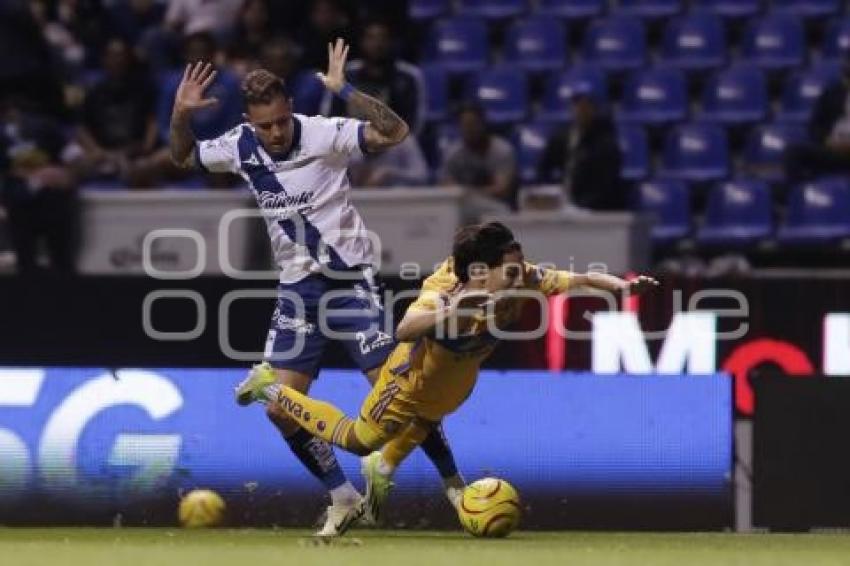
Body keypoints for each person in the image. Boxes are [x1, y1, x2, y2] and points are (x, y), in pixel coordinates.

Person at [168, 38, 464, 537]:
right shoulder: (238, 146)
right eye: (265, 125)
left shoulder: (325, 133)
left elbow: (395, 131)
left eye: (282, 120)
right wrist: (180, 114)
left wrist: (345, 88)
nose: (277, 132)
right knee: (281, 409)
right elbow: (182, 158)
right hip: (297, 291)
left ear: (291, 110)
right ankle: (342, 496)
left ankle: (454, 486)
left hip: (350, 282)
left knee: (399, 393)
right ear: (249, 121)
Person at [235, 221, 660, 534]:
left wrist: (621, 288)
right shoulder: (446, 291)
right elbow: (403, 329)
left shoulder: (521, 275)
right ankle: (266, 385)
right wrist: (453, 313)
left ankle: (381, 471)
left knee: (424, 423)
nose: (522, 277)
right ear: (479, 272)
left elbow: (581, 278)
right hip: (409, 381)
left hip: (455, 383)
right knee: (358, 438)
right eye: (510, 272)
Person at [0, 97, 79, 273]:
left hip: (53, 201)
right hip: (19, 202)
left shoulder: (45, 126)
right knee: (26, 263)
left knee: (62, 262)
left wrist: (68, 175)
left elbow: (75, 157)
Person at [321, 18, 425, 136]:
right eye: (371, 38)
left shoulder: (408, 77)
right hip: (351, 144)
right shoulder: (346, 74)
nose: (377, 44)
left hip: (394, 145)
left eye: (382, 38)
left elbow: (414, 123)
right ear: (362, 42)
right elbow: (329, 117)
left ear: (391, 42)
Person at [76, 37, 158, 186]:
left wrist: (146, 147)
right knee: (76, 165)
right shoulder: (94, 91)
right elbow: (82, 128)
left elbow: (152, 122)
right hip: (101, 153)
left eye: (121, 55)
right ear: (104, 59)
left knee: (144, 169)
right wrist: (96, 151)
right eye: (112, 55)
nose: (117, 60)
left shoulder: (144, 89)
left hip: (134, 153)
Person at [537, 86, 626, 211]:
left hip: (595, 208)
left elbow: (606, 183)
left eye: (586, 106)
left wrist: (582, 205)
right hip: (564, 205)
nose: (581, 110)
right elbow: (544, 168)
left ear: (594, 110)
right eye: (577, 105)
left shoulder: (605, 142)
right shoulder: (563, 136)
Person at [440, 103, 517, 220]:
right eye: (465, 125)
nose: (469, 129)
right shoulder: (453, 153)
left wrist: (468, 192)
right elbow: (447, 187)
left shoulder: (501, 150)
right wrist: (464, 194)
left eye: (473, 124)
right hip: (463, 205)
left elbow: (501, 190)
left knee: (501, 212)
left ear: (483, 124)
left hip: (495, 204)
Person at [784, 63, 850, 183]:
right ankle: (805, 190)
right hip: (832, 147)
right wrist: (826, 140)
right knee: (793, 153)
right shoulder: (831, 93)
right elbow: (815, 125)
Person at [348, 135, 429, 187]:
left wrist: (389, 173)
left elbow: (422, 175)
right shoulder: (356, 146)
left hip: (404, 200)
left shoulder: (405, 142)